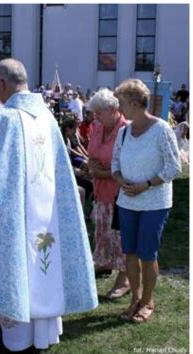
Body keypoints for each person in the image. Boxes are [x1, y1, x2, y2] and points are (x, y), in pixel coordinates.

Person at [0, 58, 98, 353]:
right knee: (47, 263)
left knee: (20, 261)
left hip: (17, 212)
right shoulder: (48, 118)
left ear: (0, 83)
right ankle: (44, 333)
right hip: (49, 212)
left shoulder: (3, 119)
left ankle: (19, 339)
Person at [112, 79, 181, 323]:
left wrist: (147, 184)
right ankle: (136, 298)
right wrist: (120, 179)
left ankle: (148, 301)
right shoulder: (123, 132)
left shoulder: (161, 129)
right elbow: (115, 164)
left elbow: (174, 166)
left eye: (121, 103)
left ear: (133, 103)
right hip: (127, 202)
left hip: (155, 203)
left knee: (147, 254)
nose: (119, 108)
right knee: (129, 252)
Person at [86, 88, 130, 299]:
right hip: (100, 189)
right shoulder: (97, 126)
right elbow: (91, 152)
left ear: (112, 109)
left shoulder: (126, 130)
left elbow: (128, 166)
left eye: (99, 112)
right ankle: (104, 262)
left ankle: (125, 278)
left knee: (120, 235)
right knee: (102, 229)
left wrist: (102, 171)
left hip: (120, 192)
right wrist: (92, 165)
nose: (95, 117)